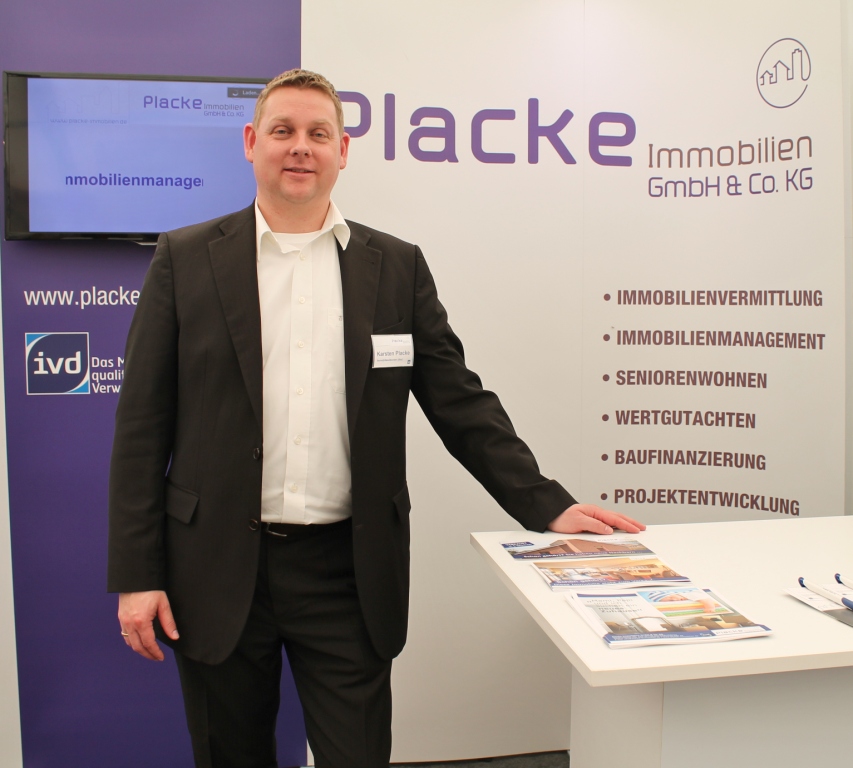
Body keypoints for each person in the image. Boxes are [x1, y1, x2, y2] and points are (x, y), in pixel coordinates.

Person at [108, 68, 645, 768]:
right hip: (215, 567)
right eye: (282, 130)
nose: (300, 147)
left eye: (318, 133)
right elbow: (141, 427)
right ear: (250, 142)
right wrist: (138, 572)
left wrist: (546, 505)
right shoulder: (184, 260)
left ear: (342, 150)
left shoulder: (394, 267)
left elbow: (458, 400)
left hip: (348, 573)